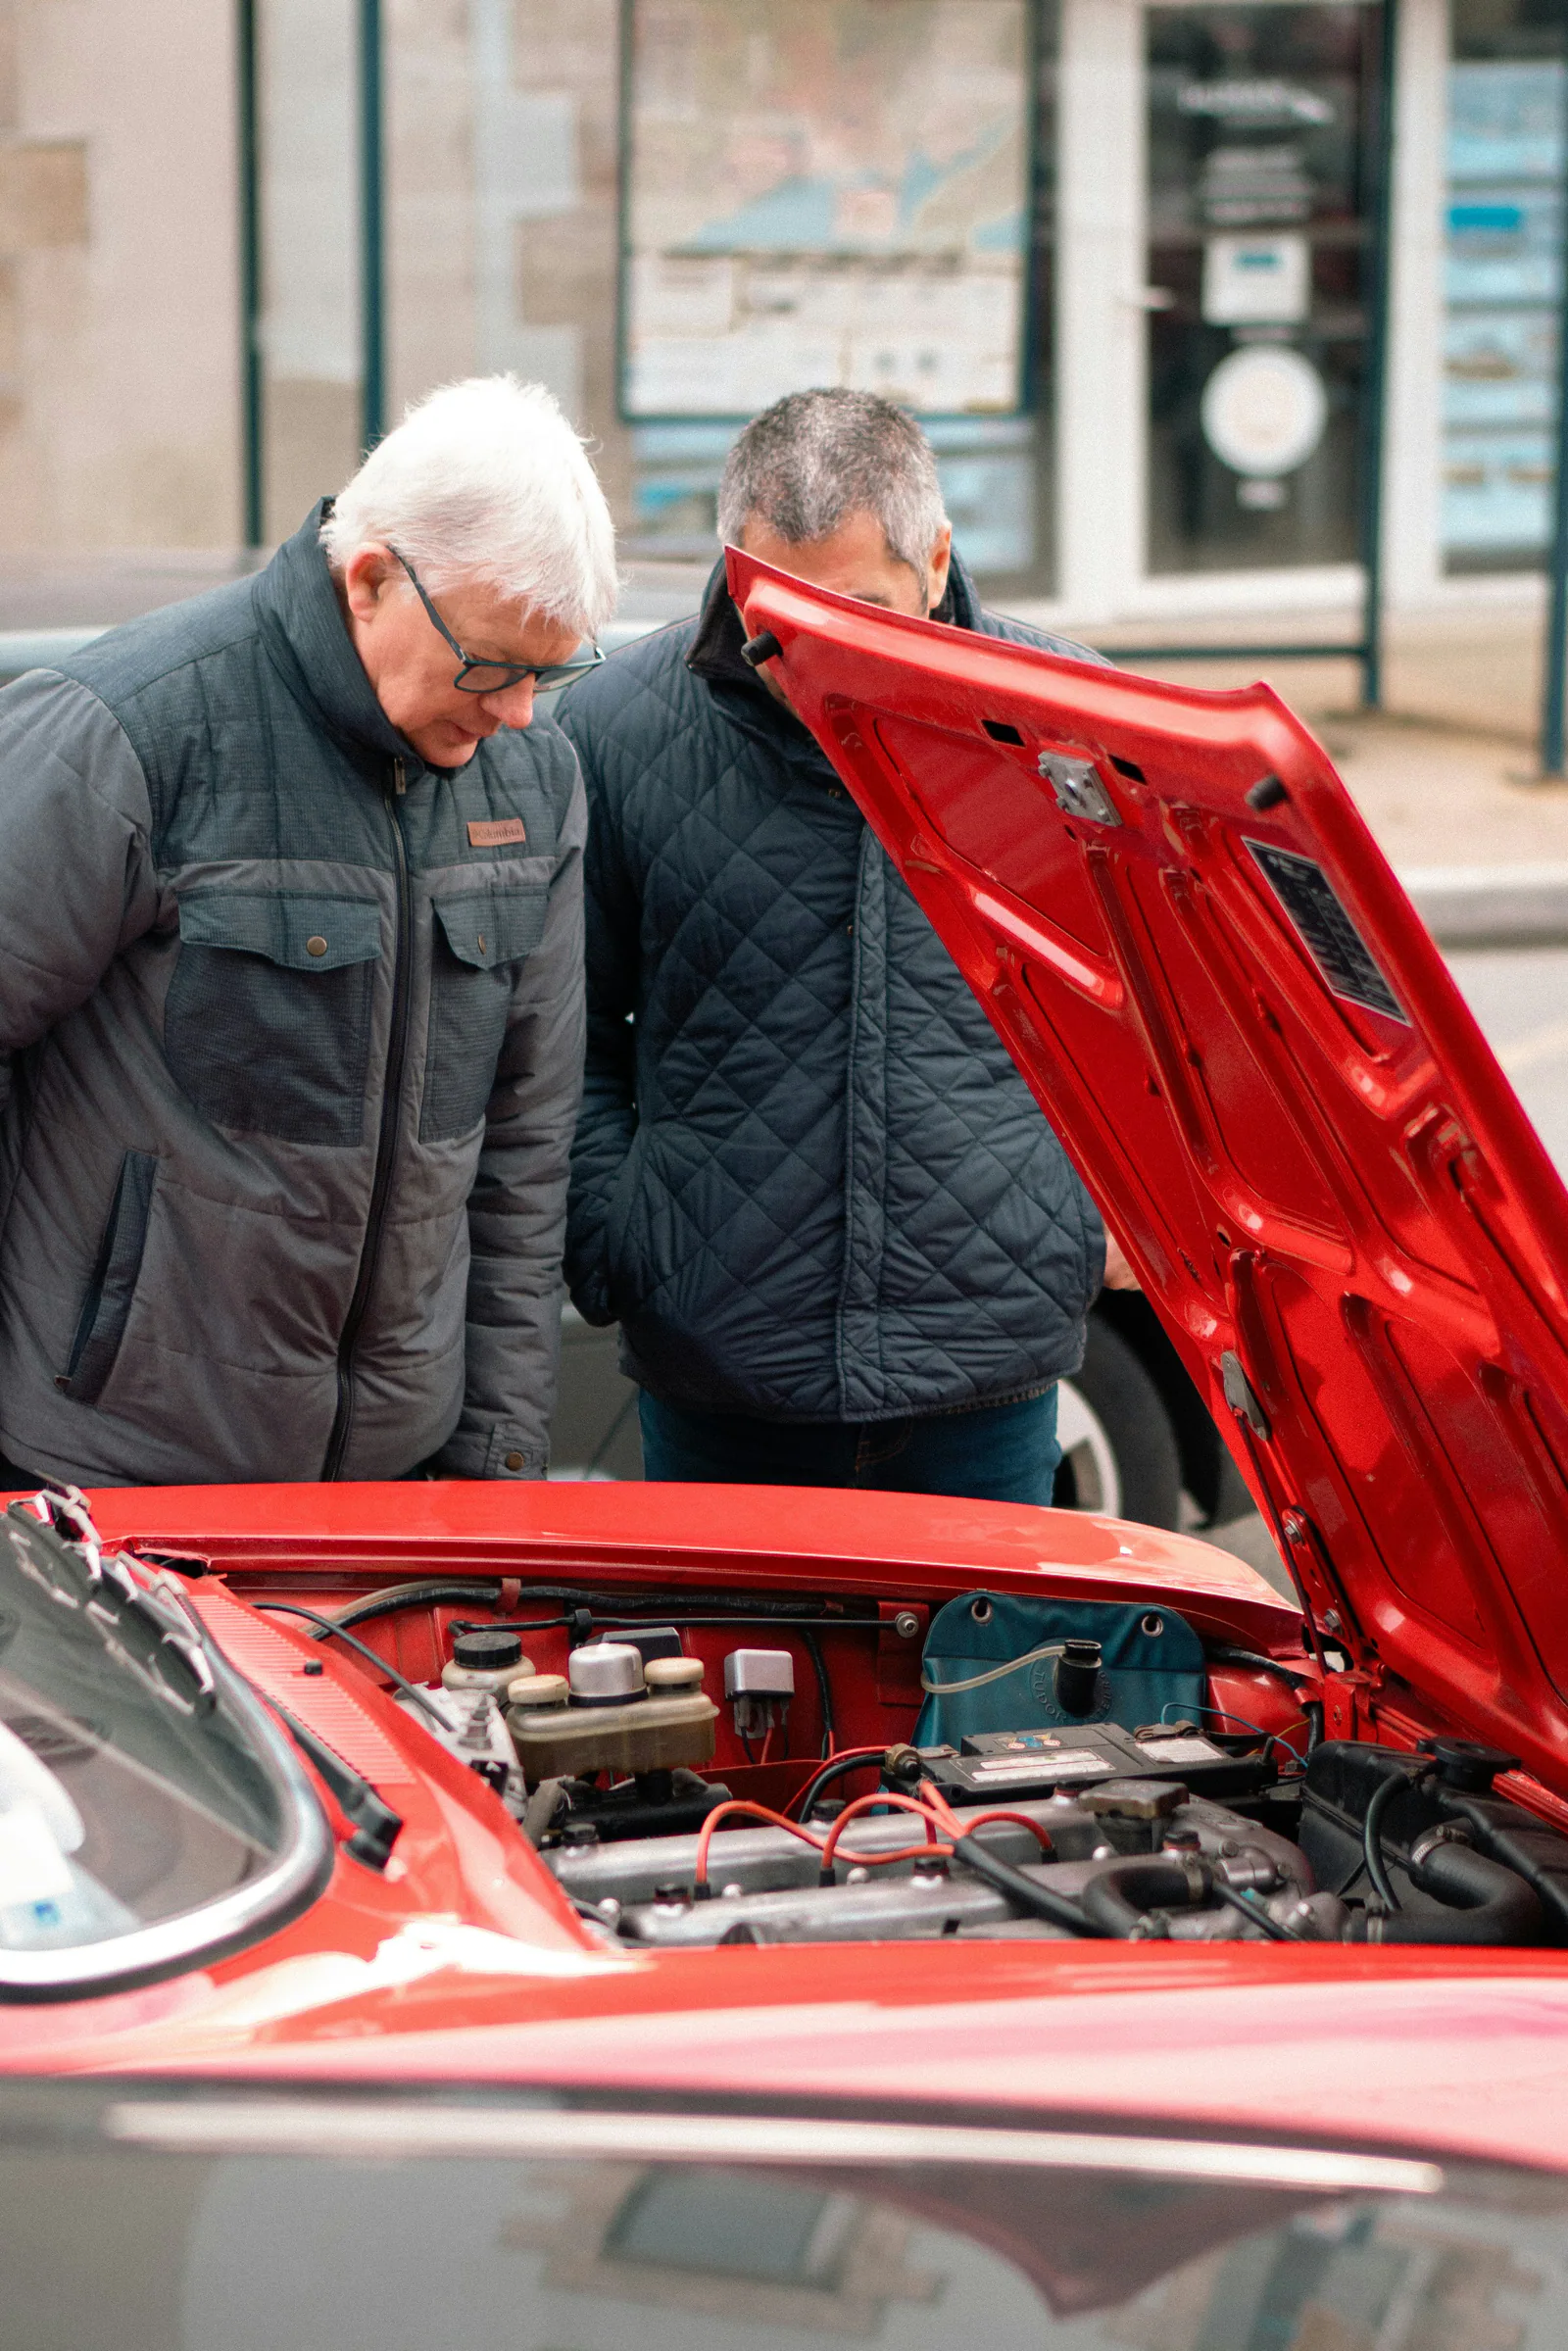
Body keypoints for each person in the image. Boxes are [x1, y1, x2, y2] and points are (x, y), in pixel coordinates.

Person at [0, 373, 616, 1490]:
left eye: (549, 670)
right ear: (370, 577)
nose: (520, 711)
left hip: (393, 1484)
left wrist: (502, 1471)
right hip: (113, 1475)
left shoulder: (533, 783)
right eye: (491, 666)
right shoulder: (130, 732)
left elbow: (525, 1153)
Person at [561, 387, 1130, 1506]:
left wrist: (1094, 1226)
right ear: (731, 573)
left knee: (982, 1685)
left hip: (989, 1364)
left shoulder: (1074, 731)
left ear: (939, 561)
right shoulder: (613, 731)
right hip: (718, 1375)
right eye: (778, 617)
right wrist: (625, 1239)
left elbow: (1164, 1021)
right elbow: (560, 1031)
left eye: (863, 611)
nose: (816, 654)